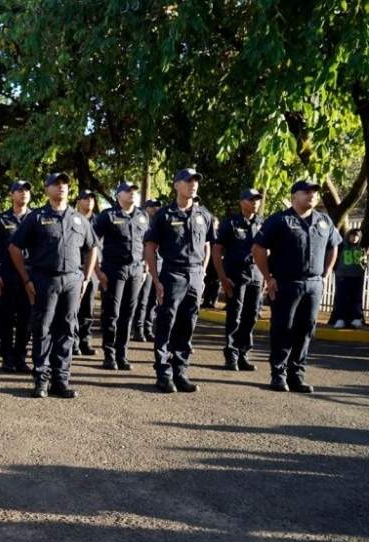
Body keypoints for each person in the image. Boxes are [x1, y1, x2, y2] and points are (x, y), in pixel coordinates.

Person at [9, 172, 98, 398]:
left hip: (72, 280)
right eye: (56, 184)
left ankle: (61, 380)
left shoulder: (79, 219)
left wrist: (86, 279)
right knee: (43, 328)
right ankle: (41, 379)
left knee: (67, 329)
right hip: (44, 279)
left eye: (65, 184)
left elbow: (92, 248)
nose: (62, 187)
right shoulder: (36, 217)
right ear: (46, 189)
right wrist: (26, 279)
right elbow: (14, 248)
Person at [253, 180, 342, 392]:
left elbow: (334, 246)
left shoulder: (324, 221)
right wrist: (268, 277)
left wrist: (327, 271)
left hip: (313, 284)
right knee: (283, 328)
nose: (311, 195)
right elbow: (258, 248)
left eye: (314, 192)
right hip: (286, 282)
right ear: (294, 196)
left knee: (306, 329)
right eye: (306, 192)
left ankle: (296, 375)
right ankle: (278, 374)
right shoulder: (280, 220)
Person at [144, 168, 217, 393]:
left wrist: (203, 274)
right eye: (187, 181)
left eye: (196, 181)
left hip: (194, 275)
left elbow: (207, 244)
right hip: (173, 273)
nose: (193, 184)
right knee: (166, 323)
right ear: (176, 185)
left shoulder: (204, 214)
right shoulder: (164, 215)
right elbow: (150, 247)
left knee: (188, 324)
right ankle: (164, 373)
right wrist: (155, 279)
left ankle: (180, 371)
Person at [93, 180, 149, 370]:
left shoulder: (142, 216)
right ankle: (109, 355)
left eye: (134, 190)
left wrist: (146, 268)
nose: (132, 193)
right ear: (118, 196)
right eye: (127, 191)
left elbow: (147, 245)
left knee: (128, 314)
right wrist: (98, 271)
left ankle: (122, 354)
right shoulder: (107, 216)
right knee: (111, 313)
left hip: (135, 270)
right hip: (113, 270)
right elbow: (92, 243)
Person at [213, 188, 265, 370]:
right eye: (251, 200)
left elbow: (267, 250)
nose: (255, 203)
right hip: (235, 275)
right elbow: (217, 250)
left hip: (256, 275)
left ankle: (243, 353)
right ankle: (231, 354)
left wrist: (267, 276)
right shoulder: (231, 223)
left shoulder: (262, 223)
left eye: (257, 200)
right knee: (234, 315)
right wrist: (222, 277)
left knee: (251, 316)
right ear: (242, 202)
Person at [0, 181, 33, 373]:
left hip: (30, 276)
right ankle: (7, 358)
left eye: (26, 191)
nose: (23, 194)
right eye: (19, 191)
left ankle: (20, 358)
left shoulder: (35, 217)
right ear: (11, 194)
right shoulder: (2, 219)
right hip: (7, 275)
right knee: (6, 319)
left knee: (26, 319)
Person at [132, 198, 163, 341]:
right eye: (152, 207)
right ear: (146, 208)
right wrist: (145, 266)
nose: (155, 209)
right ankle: (138, 329)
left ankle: (148, 328)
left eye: (157, 207)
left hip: (158, 264)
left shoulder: (160, 223)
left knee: (153, 300)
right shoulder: (142, 223)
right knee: (142, 299)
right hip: (145, 265)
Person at [74, 189, 99, 356]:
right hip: (76, 267)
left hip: (94, 269)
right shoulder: (73, 218)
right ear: (78, 201)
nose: (89, 201)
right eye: (85, 198)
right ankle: (73, 341)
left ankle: (85, 341)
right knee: (73, 307)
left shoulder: (99, 220)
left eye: (92, 198)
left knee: (88, 308)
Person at [329, 228, 366, 328]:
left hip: (357, 277)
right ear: (348, 236)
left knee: (356, 298)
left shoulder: (362, 248)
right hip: (343, 277)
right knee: (341, 298)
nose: (354, 238)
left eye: (357, 236)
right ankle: (340, 319)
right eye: (352, 236)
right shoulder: (343, 247)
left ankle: (356, 319)